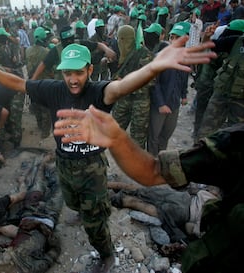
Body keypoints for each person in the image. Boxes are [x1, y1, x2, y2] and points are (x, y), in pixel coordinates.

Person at [0, 36, 217, 273]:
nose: (73, 79)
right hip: (65, 164)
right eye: (67, 73)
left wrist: (152, 68)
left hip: (92, 169)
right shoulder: (53, 90)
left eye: (78, 72)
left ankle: (107, 253)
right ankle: (84, 212)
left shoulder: (99, 92)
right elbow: (18, 83)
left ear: (89, 70)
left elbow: (122, 86)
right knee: (72, 202)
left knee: (95, 223)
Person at [53, 105, 243, 273]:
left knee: (139, 203)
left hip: (185, 213)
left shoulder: (195, 224)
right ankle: (105, 189)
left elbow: (184, 228)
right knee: (141, 192)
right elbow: (154, 172)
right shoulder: (234, 145)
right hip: (188, 200)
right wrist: (117, 139)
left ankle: (108, 198)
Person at [147, 22, 190, 156]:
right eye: (172, 37)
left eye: (178, 37)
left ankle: (161, 159)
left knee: (166, 134)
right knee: (154, 136)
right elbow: (154, 83)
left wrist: (183, 95)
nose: (173, 40)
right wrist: (160, 104)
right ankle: (152, 163)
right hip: (160, 105)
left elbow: (184, 78)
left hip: (174, 104)